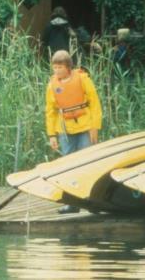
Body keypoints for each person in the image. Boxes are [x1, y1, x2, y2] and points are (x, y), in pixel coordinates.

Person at [45, 50, 102, 214]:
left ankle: (93, 201)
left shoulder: (83, 79)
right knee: (68, 165)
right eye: (54, 68)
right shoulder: (52, 85)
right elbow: (50, 111)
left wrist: (94, 127)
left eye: (60, 67)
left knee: (88, 162)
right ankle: (72, 203)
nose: (57, 71)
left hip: (85, 125)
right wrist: (52, 135)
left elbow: (95, 104)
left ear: (68, 67)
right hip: (64, 128)